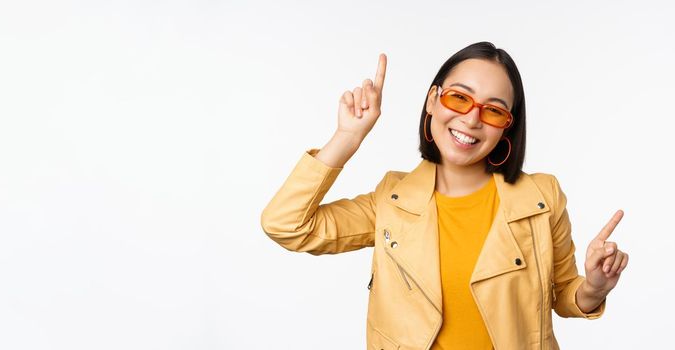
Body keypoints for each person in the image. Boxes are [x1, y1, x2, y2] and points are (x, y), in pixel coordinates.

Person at [260, 42, 628, 349]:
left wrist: (594, 287)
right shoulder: (391, 200)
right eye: (459, 98)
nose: (471, 119)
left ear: (507, 127)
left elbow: (564, 295)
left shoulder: (541, 197)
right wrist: (348, 136)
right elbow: (287, 224)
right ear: (432, 100)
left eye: (494, 110)